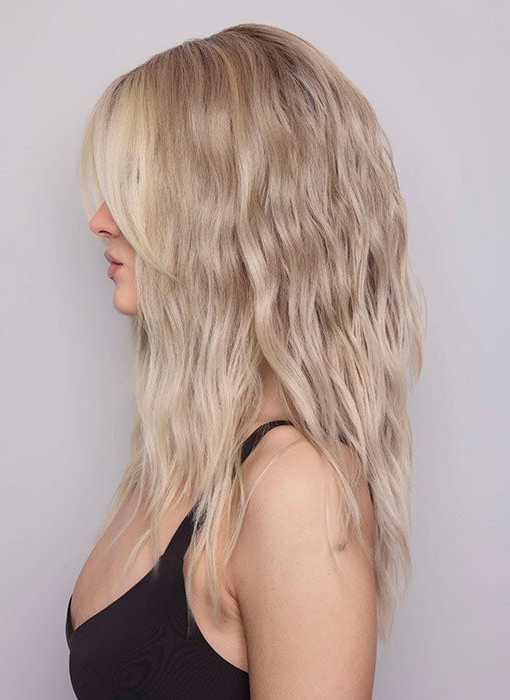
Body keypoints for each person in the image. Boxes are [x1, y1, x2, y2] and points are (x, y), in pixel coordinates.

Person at [65, 22, 425, 699]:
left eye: (136, 183)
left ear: (224, 214)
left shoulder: (295, 489)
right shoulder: (185, 458)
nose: (99, 220)